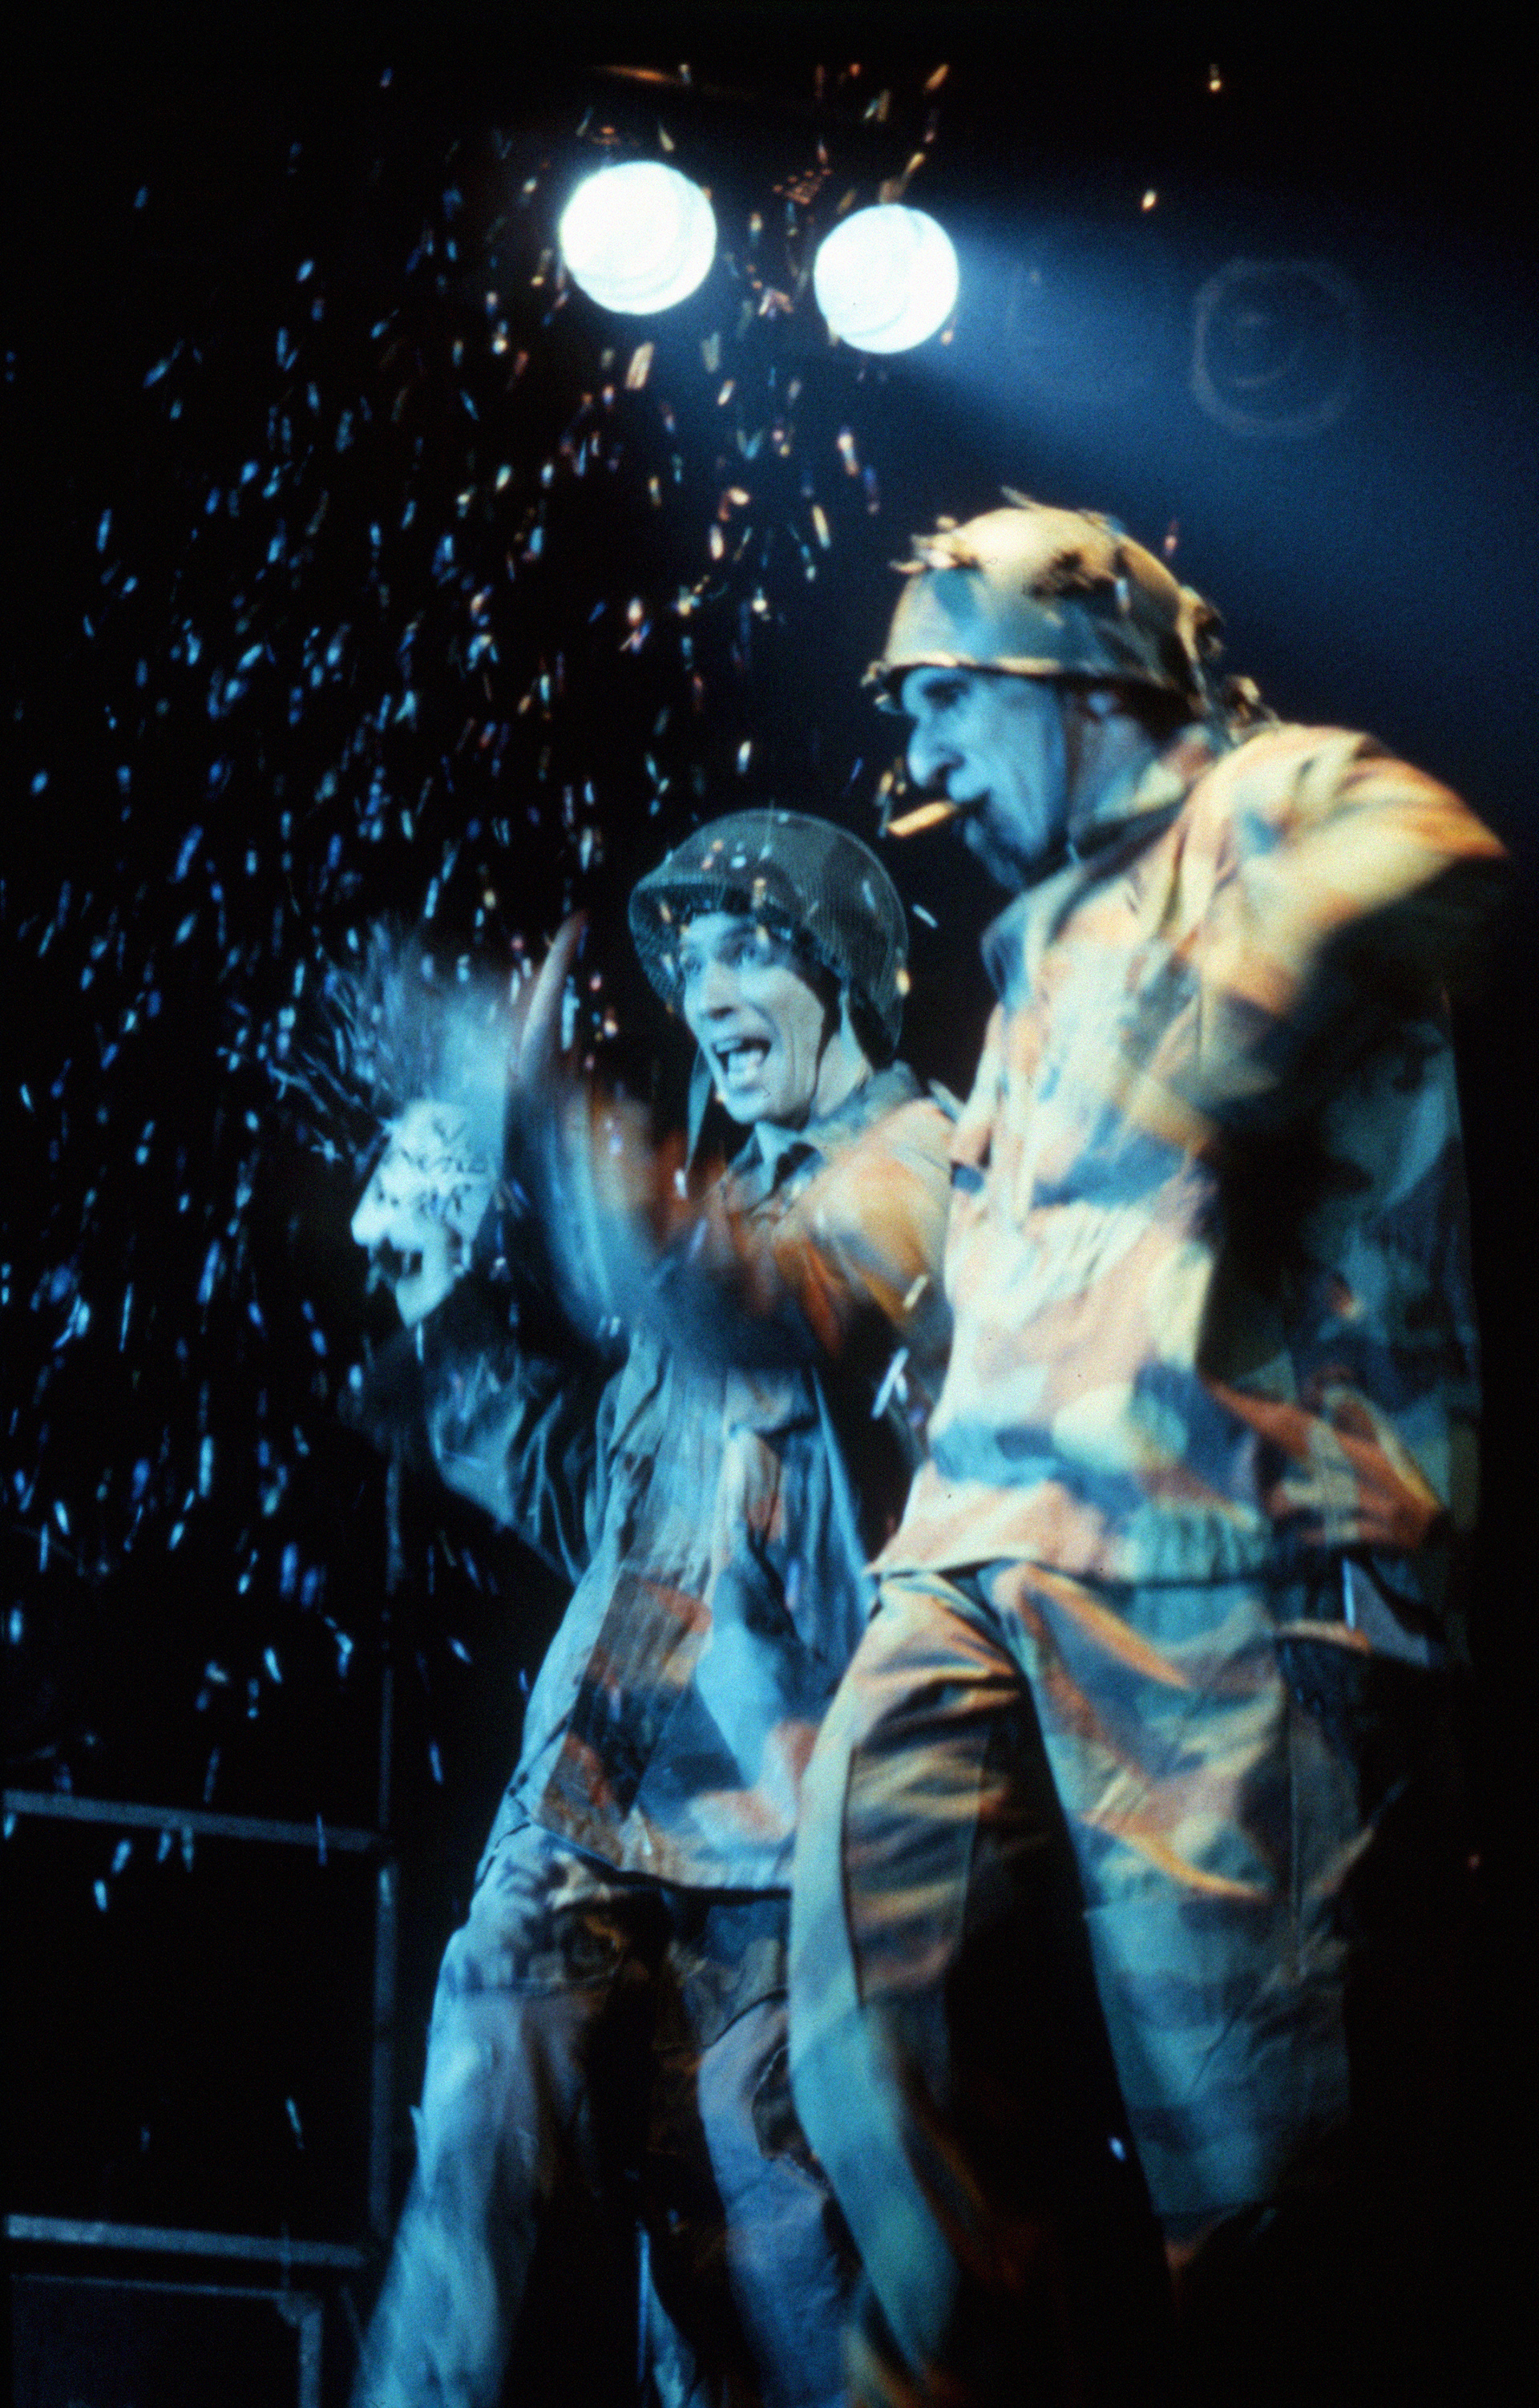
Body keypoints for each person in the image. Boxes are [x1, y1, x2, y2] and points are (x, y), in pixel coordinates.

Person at [786, 501, 1507, 2406]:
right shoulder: (1036, 950)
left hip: (1239, 1571)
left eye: (945, 696)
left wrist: (1238, 1026)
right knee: (868, 2012)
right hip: (982, 1561)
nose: (921, 753)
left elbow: (1435, 855)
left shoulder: (1267, 798)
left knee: (1270, 2195)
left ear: (1082, 672)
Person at [345, 810, 955, 2408]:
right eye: (692, 966)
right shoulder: (723, 1200)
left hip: (773, 1847)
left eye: (750, 949)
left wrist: (557, 1117)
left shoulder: (917, 1168)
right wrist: (439, 1305)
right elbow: (599, 1508)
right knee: (468, 2155)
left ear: (845, 968)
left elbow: (760, 1310)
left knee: (758, 2275)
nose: (708, 990)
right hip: (583, 1800)